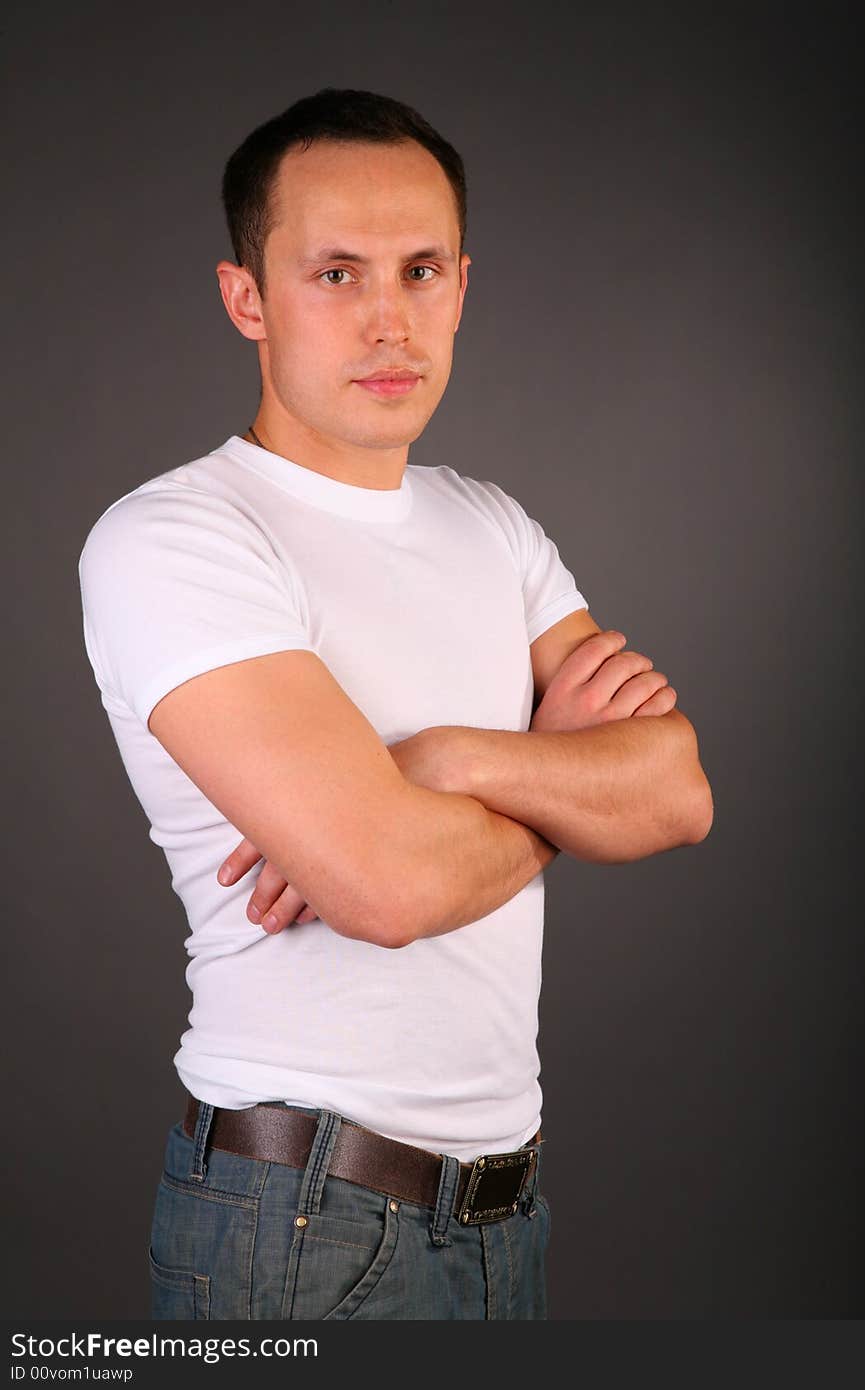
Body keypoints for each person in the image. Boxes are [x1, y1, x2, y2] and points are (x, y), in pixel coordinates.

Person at [77, 87, 713, 1321]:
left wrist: (433, 759)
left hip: (503, 1213)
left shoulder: (495, 527)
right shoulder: (177, 537)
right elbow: (386, 888)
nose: (389, 319)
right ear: (246, 298)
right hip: (301, 1219)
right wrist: (554, 778)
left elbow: (676, 790)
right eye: (335, 273)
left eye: (421, 270)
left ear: (463, 284)